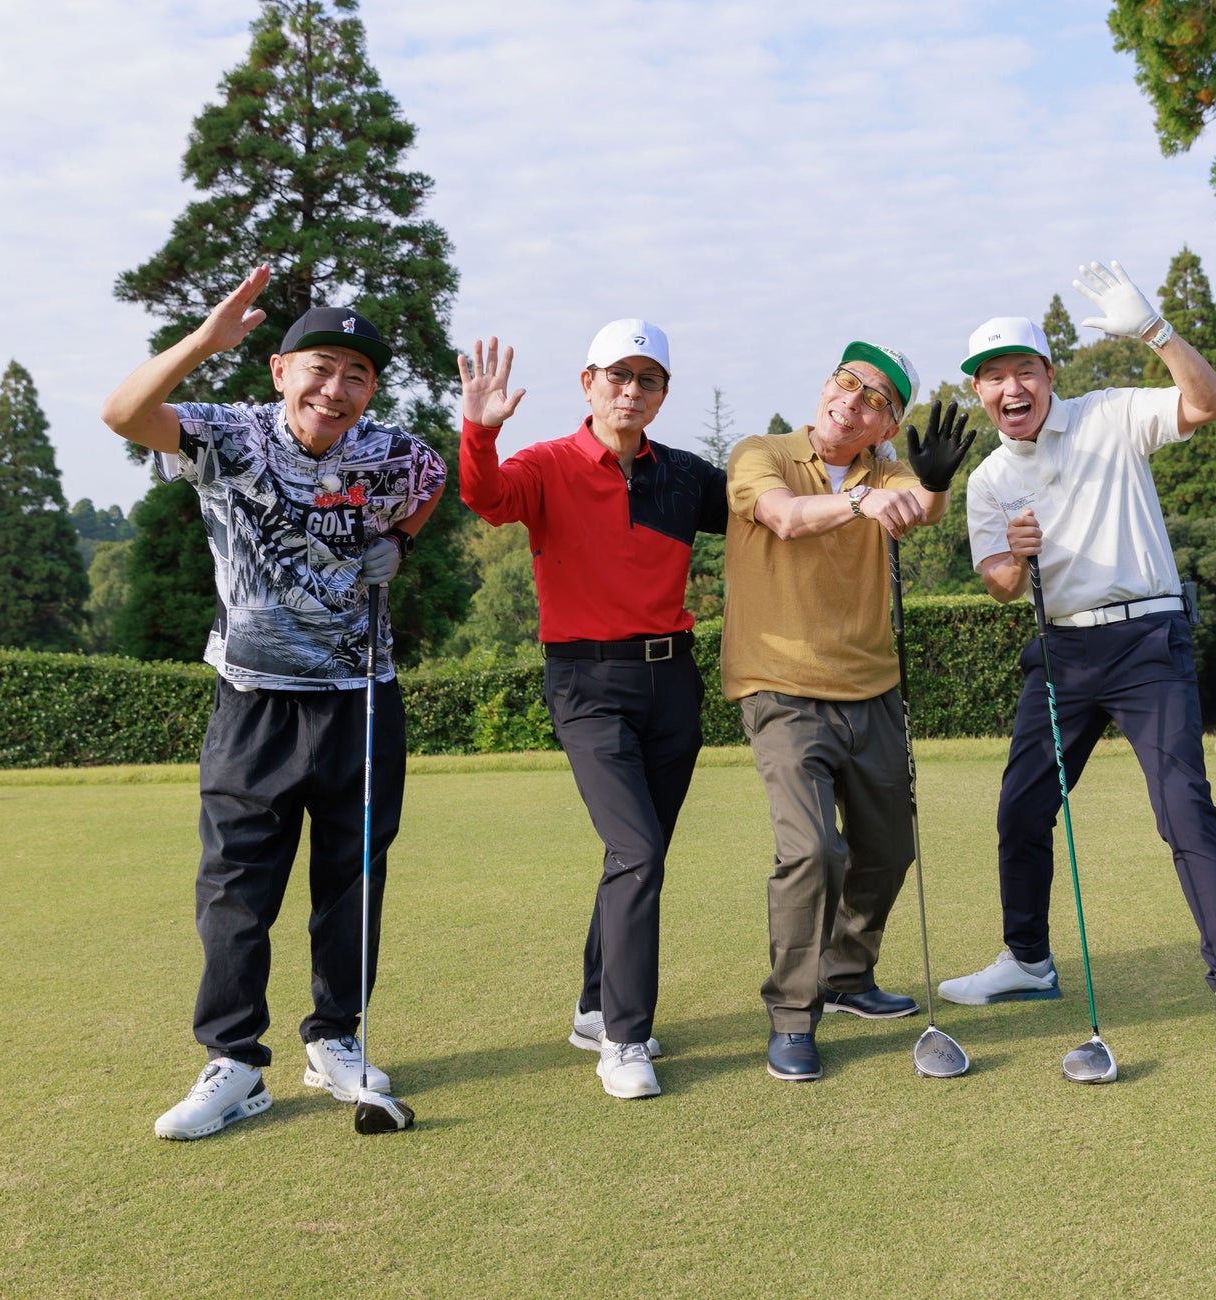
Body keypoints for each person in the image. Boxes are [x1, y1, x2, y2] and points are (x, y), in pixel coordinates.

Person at [101, 265, 448, 1138]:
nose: (337, 390)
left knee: (350, 884)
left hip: (361, 697)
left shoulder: (395, 453)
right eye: (321, 367)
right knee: (237, 888)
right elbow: (122, 414)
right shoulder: (231, 435)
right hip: (253, 700)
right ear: (281, 372)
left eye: (358, 375)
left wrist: (400, 542)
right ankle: (235, 1062)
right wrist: (202, 343)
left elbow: (434, 477)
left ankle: (336, 1037)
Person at [939, 259, 1216, 1063]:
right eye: (992, 379)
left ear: (1049, 376)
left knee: (1183, 808)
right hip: (1061, 649)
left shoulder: (1109, 415)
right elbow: (995, 583)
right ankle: (1027, 960)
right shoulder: (986, 480)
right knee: (1021, 810)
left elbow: (1212, 403)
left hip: (1147, 641)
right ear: (979, 395)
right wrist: (1014, 561)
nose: (1010, 389)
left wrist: (1157, 332)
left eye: (1024, 371)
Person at [457, 321, 727, 1101]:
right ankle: (625, 1036)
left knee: (634, 856)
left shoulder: (683, 477)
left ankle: (591, 1007)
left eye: (647, 380)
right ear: (588, 383)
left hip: (673, 682)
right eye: (617, 376)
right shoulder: (546, 466)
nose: (630, 391)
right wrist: (478, 430)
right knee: (638, 850)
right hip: (587, 684)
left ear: (662, 394)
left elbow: (764, 509)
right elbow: (485, 497)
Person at [721, 342, 971, 1083]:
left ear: (886, 424)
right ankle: (793, 1018)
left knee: (889, 847)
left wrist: (933, 484)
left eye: (872, 400)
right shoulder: (760, 453)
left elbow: (919, 511)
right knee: (812, 852)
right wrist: (862, 500)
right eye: (846, 383)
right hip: (780, 687)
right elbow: (787, 518)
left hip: (871, 689)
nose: (850, 401)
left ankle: (847, 976)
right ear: (827, 384)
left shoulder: (887, 472)